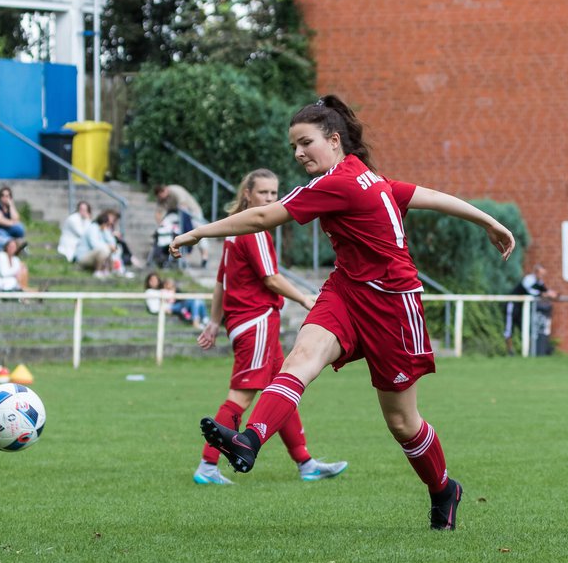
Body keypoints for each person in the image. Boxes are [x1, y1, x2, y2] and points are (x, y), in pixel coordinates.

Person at [170, 95, 515, 529]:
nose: (298, 153)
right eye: (293, 145)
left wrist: (198, 232)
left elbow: (261, 218)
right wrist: (487, 221)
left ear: (334, 140)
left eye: (306, 142)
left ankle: (444, 488)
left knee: (402, 422)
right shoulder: (363, 177)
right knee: (301, 358)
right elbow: (427, 194)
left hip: (393, 304)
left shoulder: (341, 183)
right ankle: (250, 439)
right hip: (347, 291)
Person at [188, 168, 347, 486]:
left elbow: (221, 282)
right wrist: (305, 298)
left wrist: (215, 322)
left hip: (251, 323)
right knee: (241, 397)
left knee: (282, 390)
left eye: (275, 194)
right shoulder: (254, 231)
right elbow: (270, 279)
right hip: (256, 322)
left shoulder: (234, 230)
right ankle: (207, 465)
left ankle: (306, 463)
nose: (271, 199)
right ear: (248, 194)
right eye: (264, 193)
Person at [504, 264, 559, 356]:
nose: (542, 276)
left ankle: (527, 351)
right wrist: (544, 294)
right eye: (541, 274)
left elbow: (545, 290)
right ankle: (509, 351)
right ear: (536, 272)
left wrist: (552, 293)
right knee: (509, 329)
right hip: (513, 305)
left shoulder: (539, 282)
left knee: (526, 328)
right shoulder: (528, 280)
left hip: (522, 307)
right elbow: (530, 292)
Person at [76, 208, 118, 277]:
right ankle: (97, 271)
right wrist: (108, 246)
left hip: (94, 254)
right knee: (104, 250)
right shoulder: (92, 228)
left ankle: (107, 271)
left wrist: (106, 232)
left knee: (108, 250)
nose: (108, 227)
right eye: (107, 225)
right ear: (104, 223)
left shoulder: (102, 231)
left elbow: (112, 243)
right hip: (83, 257)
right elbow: (94, 245)